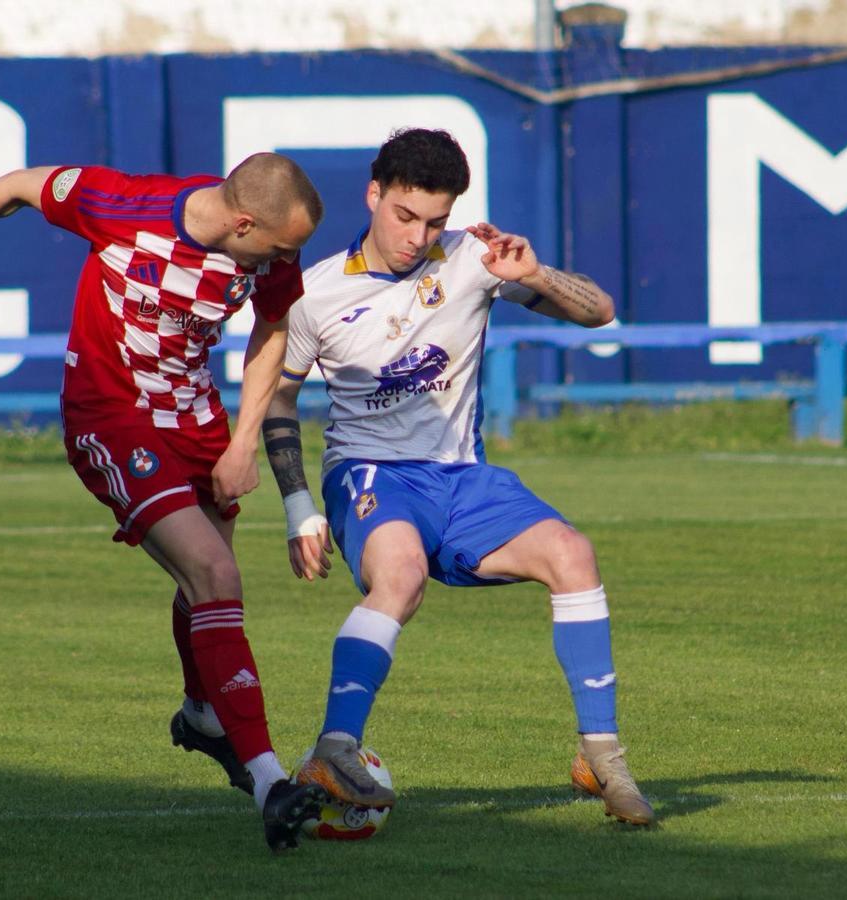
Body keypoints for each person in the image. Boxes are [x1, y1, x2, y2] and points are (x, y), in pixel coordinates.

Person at [0, 153, 330, 851]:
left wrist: (241, 444)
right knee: (215, 574)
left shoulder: (269, 253)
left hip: (197, 419)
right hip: (111, 414)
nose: (290, 261)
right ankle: (268, 780)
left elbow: (274, 329)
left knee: (209, 581)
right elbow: (21, 186)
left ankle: (203, 716)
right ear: (241, 221)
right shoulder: (122, 204)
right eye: (283, 248)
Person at [261, 128, 654, 826]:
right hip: (370, 472)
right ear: (374, 195)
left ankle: (602, 754)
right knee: (402, 575)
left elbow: (599, 311)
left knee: (573, 554)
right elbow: (279, 401)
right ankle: (334, 746)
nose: (418, 236)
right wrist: (299, 506)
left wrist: (531, 274)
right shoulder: (314, 296)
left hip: (461, 478)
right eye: (405, 216)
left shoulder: (473, 258)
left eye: (435, 221)